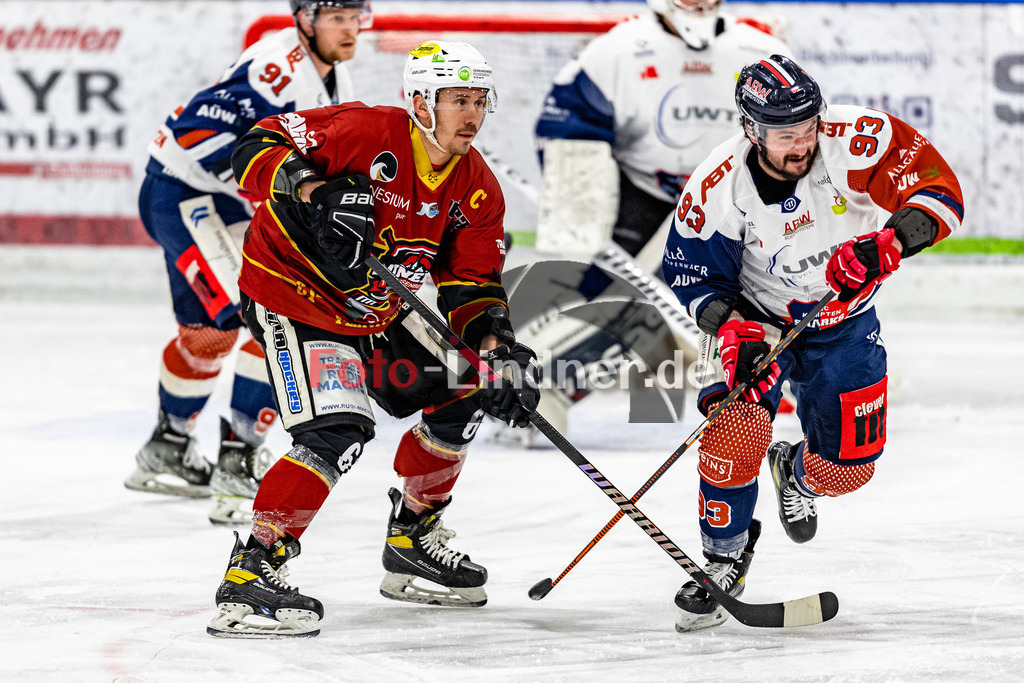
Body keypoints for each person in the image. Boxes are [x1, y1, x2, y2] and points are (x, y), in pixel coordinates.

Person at [204, 40, 541, 638]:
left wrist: (497, 353)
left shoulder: (477, 187)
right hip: (296, 298)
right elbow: (254, 144)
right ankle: (252, 570)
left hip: (380, 307)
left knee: (466, 389)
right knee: (337, 431)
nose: (472, 114)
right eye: (457, 100)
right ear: (419, 102)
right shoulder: (362, 129)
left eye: (479, 101)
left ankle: (412, 535)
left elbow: (470, 283)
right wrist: (313, 191)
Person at [663, 54, 963, 631]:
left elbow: (938, 191)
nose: (801, 142)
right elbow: (694, 279)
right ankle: (723, 561)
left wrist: (891, 243)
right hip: (756, 324)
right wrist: (731, 329)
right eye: (784, 134)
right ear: (752, 130)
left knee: (848, 470)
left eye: (807, 126)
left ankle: (794, 473)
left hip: (846, 320)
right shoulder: (717, 187)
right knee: (734, 427)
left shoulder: (853, 137)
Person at [124, 0, 372, 526]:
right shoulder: (274, 67)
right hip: (186, 197)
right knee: (269, 313)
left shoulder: (335, 77)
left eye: (355, 18)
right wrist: (280, 184)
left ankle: (166, 447)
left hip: (200, 201)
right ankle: (238, 460)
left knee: (206, 337)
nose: (348, 30)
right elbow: (197, 135)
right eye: (336, 18)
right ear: (305, 19)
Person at [507, 0, 789, 444]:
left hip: (730, 203)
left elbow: (804, 133)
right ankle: (541, 387)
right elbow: (566, 120)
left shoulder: (758, 50)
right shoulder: (619, 50)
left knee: (721, 302)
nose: (699, 5)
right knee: (604, 296)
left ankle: (769, 383)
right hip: (642, 196)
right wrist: (581, 206)